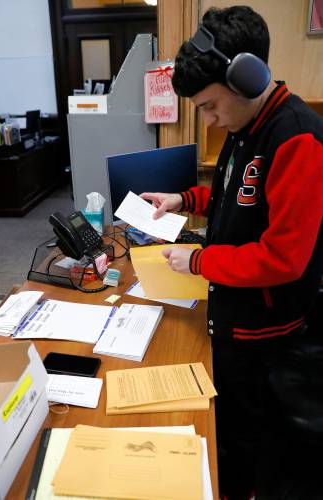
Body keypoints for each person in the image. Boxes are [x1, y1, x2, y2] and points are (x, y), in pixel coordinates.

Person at [141, 5, 323, 499]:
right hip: (230, 316)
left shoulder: (296, 137)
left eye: (210, 106)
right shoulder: (245, 128)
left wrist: (198, 261)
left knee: (249, 441)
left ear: (248, 78)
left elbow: (284, 258)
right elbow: (230, 200)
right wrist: (185, 200)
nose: (211, 119)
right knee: (229, 432)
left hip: (264, 334)